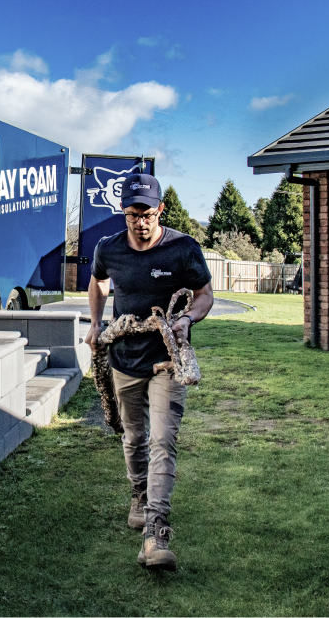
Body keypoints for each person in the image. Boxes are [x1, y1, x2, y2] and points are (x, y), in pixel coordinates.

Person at [84, 172, 213, 571]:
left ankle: (155, 532)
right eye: (132, 214)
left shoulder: (182, 249)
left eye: (147, 214)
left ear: (160, 210)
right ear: (123, 211)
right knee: (133, 436)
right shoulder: (109, 249)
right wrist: (95, 323)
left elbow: (205, 293)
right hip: (124, 358)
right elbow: (98, 282)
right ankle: (139, 497)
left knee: (162, 439)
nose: (140, 223)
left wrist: (188, 318)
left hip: (167, 361)